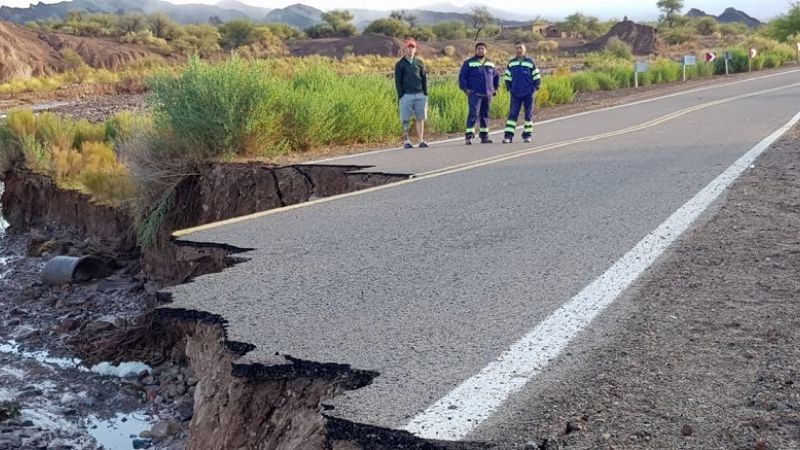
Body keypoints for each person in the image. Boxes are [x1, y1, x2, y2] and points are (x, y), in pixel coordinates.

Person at [459, 42, 500, 145]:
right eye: (479, 49)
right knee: (474, 113)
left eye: (482, 49)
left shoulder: (490, 63)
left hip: (488, 94)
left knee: (485, 114)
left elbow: (496, 76)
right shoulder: (468, 63)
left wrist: (495, 88)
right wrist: (466, 89)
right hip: (474, 94)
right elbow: (462, 77)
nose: (481, 50)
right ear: (475, 50)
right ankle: (469, 137)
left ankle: (484, 137)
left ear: (486, 51)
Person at [502, 42, 542, 144]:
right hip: (515, 93)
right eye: (517, 48)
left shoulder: (530, 62)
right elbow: (507, 77)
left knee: (528, 115)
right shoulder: (511, 63)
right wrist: (510, 88)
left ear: (524, 50)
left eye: (520, 48)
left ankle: (527, 136)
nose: (518, 50)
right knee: (512, 115)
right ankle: (508, 136)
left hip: (528, 93)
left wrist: (534, 89)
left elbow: (537, 78)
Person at [394, 38, 429, 149]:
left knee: (420, 118)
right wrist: (401, 95)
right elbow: (398, 81)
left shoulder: (419, 62)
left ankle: (421, 140)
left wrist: (425, 92)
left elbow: (424, 78)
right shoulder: (400, 64)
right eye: (408, 47)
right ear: (405, 49)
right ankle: (406, 141)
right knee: (406, 119)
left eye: (412, 47)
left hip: (420, 94)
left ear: (415, 49)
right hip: (407, 95)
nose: (410, 50)